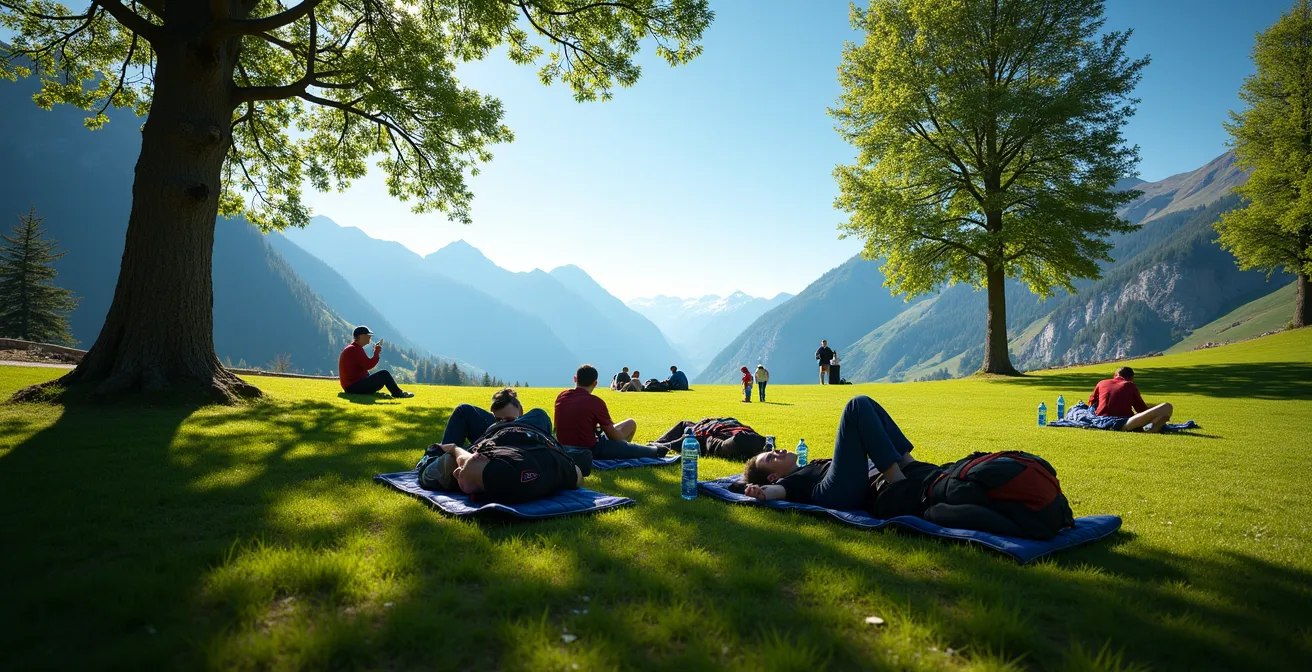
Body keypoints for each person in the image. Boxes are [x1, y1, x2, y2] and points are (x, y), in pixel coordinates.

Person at [738, 396, 1073, 538]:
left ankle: (905, 468)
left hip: (885, 481)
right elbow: (777, 492)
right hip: (832, 495)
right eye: (770, 457)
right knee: (856, 406)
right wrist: (760, 493)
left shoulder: (813, 462)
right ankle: (899, 476)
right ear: (771, 473)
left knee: (867, 406)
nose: (777, 450)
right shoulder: (794, 481)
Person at [417, 400, 590, 503]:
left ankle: (433, 452)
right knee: (540, 413)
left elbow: (465, 468)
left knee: (437, 469)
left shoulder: (560, 465)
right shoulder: (500, 470)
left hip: (514, 431)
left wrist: (454, 449)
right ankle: (509, 418)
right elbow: (468, 467)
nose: (457, 472)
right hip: (526, 430)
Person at [555, 364, 667, 459]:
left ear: (575, 379)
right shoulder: (595, 402)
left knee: (629, 423)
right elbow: (613, 435)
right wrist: (622, 444)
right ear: (595, 383)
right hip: (590, 450)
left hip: (563, 447)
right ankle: (654, 450)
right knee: (627, 444)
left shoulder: (562, 396)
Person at [1089, 366, 1174, 432]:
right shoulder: (1130, 385)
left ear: (1115, 375)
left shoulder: (1102, 383)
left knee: (1160, 413)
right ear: (1131, 378)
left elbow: (1092, 403)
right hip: (1123, 423)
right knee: (1167, 407)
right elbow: (1141, 409)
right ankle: (1152, 427)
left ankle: (1152, 425)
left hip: (1100, 419)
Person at [339, 325, 413, 398]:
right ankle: (398, 394)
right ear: (361, 336)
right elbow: (369, 365)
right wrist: (376, 352)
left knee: (376, 375)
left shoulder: (352, 348)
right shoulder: (355, 349)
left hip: (351, 387)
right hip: (354, 387)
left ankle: (395, 393)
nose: (370, 338)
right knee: (384, 374)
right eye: (368, 335)